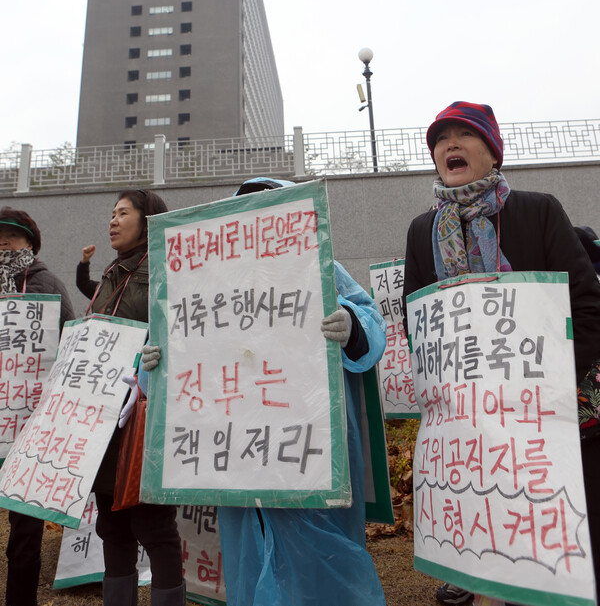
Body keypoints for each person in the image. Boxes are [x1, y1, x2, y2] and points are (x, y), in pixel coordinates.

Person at [142, 176, 388, 606]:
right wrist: (152, 365)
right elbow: (178, 360)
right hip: (239, 455)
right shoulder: (205, 282)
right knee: (250, 566)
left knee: (321, 571)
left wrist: (351, 324)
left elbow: (370, 321)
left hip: (306, 452)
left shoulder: (321, 266)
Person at [402, 102, 600, 605]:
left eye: (463, 134)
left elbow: (588, 307)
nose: (450, 144)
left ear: (493, 152)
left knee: (572, 550)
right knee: (504, 546)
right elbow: (417, 326)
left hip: (558, 418)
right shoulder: (422, 232)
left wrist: (548, 386)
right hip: (477, 430)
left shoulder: (538, 211)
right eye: (440, 138)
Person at [78, 188, 185, 606]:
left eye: (123, 213)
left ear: (148, 221)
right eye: (112, 213)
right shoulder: (111, 272)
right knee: (112, 525)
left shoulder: (165, 268)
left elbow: (182, 332)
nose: (113, 220)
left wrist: (156, 357)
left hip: (147, 420)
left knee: (155, 527)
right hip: (106, 420)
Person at [0, 207, 75, 606]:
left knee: (24, 528)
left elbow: (72, 344)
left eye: (11, 235)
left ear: (31, 241)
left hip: (29, 424)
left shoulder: (46, 284)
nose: (2, 242)